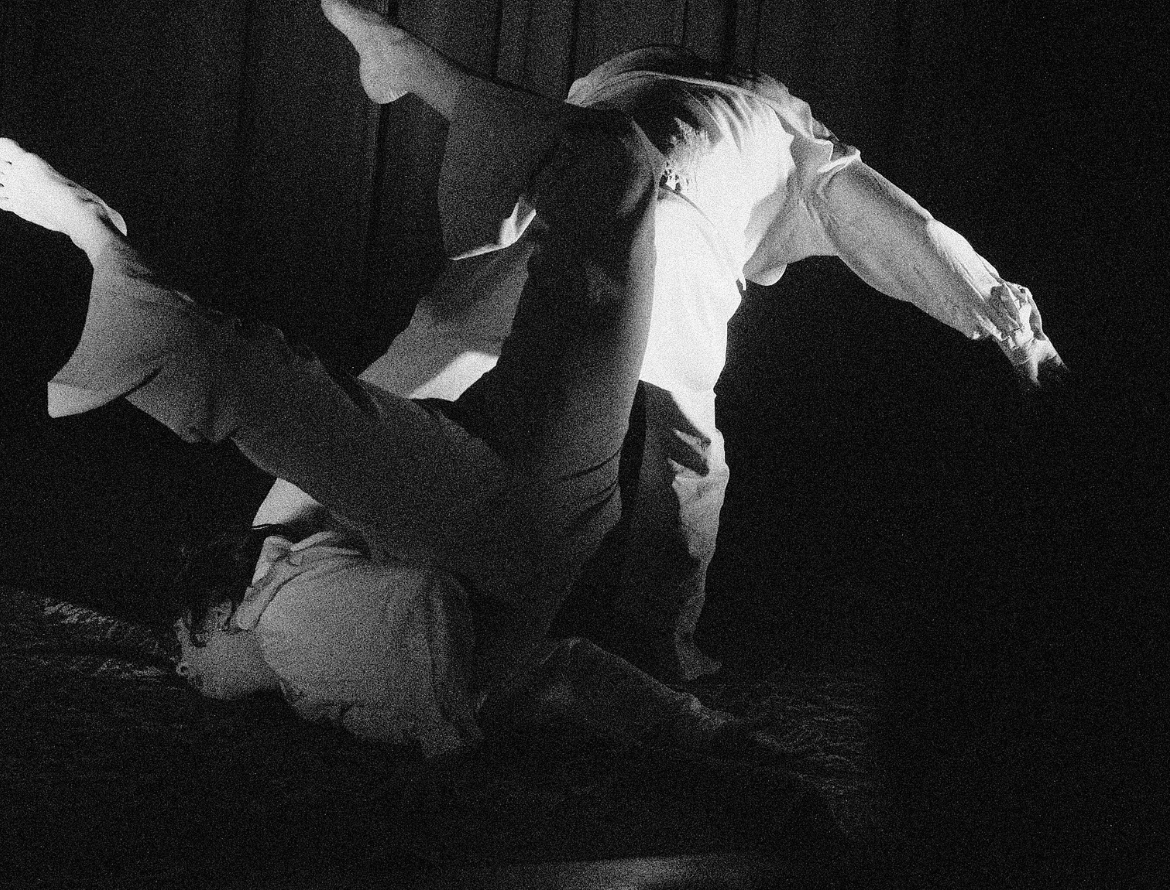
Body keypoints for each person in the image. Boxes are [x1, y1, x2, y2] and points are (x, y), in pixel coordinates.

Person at [0, 0, 768, 759]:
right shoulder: (307, 645)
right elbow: (543, 659)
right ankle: (120, 246)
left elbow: (499, 637)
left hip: (507, 503)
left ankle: (112, 248)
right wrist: (719, 742)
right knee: (612, 163)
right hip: (528, 509)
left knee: (608, 164)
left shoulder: (284, 622)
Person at [252, 45, 1064, 683]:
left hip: (570, 192)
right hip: (674, 223)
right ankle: (661, 638)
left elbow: (531, 133)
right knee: (684, 440)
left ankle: (268, 537)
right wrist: (1008, 324)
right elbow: (904, 228)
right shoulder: (794, 138)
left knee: (429, 352)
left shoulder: (623, 89)